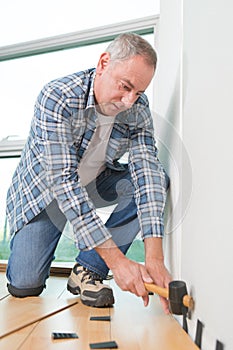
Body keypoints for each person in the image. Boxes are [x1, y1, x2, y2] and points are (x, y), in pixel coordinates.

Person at [5, 33, 172, 313]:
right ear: (104, 63)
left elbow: (149, 174)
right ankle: (46, 256)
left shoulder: (137, 109)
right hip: (45, 194)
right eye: (125, 86)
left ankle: (87, 270)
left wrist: (155, 257)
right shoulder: (57, 97)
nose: (129, 101)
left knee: (156, 179)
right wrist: (118, 263)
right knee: (25, 286)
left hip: (96, 182)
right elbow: (64, 184)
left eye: (139, 93)